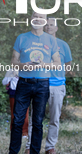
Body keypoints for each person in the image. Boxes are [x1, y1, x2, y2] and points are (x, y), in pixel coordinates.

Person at [9, 12, 61, 154]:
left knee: (37, 122)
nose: (37, 19)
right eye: (34, 16)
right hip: (24, 83)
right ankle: (13, 152)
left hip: (42, 85)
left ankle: (34, 152)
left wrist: (43, 64)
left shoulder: (50, 40)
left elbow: (57, 64)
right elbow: (14, 62)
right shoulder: (21, 38)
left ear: (45, 21)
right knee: (17, 120)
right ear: (31, 19)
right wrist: (24, 65)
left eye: (41, 17)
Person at [25, 18, 72, 154]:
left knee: (54, 118)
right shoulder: (36, 43)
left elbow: (68, 65)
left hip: (57, 86)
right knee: (35, 117)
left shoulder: (63, 45)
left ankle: (50, 146)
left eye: (52, 25)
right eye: (47, 25)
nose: (49, 27)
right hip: (39, 84)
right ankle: (30, 146)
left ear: (56, 28)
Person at [2, 71, 29, 138]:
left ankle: (25, 132)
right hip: (14, 93)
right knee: (14, 113)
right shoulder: (11, 70)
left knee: (25, 113)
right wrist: (10, 76)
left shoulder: (27, 68)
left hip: (25, 92)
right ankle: (14, 132)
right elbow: (4, 82)